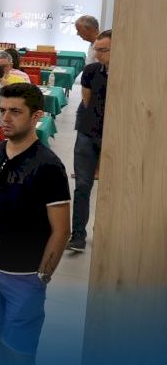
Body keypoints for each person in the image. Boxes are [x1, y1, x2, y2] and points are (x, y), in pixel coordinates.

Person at [0, 84, 70, 365]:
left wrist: (42, 276)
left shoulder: (49, 166)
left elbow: (61, 230)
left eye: (15, 112)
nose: (5, 118)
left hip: (23, 276)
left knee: (21, 355)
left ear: (37, 116)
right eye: (2, 111)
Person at [70, 30, 110, 252]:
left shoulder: (129, 74)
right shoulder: (91, 70)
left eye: (103, 50)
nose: (97, 54)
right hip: (88, 131)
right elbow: (87, 102)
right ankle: (78, 235)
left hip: (115, 136)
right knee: (82, 185)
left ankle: (106, 231)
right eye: (96, 50)